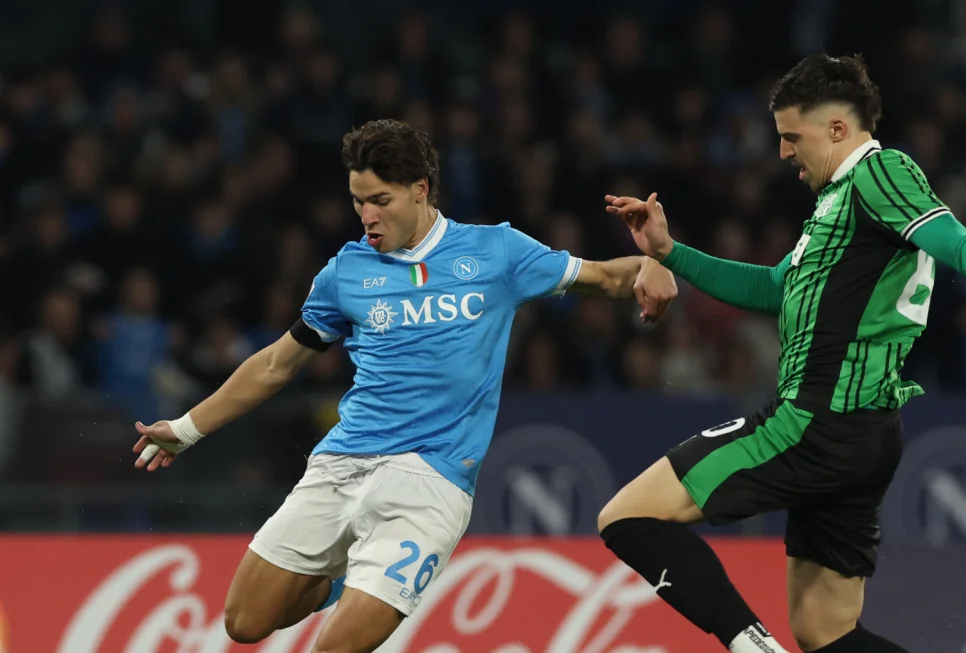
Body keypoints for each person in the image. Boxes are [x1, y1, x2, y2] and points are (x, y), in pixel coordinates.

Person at [598, 54, 966, 653]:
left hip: (812, 423)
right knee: (825, 631)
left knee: (625, 517)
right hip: (862, 434)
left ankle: (750, 646)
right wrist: (670, 252)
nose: (782, 154)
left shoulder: (882, 174)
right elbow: (772, 289)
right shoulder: (837, 202)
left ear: (838, 130)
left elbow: (957, 243)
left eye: (791, 138)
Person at [130, 119, 678, 653]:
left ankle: (370, 576)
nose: (367, 216)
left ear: (420, 191)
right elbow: (277, 363)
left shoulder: (496, 253)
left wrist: (654, 261)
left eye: (380, 201)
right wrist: (185, 428)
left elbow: (609, 276)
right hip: (342, 464)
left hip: (430, 482)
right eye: (357, 201)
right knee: (244, 623)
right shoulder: (345, 272)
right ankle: (346, 576)